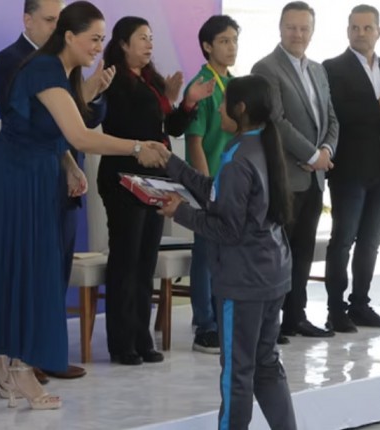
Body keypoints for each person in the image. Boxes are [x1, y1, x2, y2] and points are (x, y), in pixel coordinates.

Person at [0, 1, 167, 410]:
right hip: (12, 179)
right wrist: (135, 147)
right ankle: (20, 367)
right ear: (70, 37)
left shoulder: (60, 71)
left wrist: (70, 167)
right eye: (94, 38)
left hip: (35, 175)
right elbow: (79, 136)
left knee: (28, 270)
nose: (99, 47)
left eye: (102, 39)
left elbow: (52, 130)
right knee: (23, 271)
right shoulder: (44, 69)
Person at [158, 75, 297, 430]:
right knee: (267, 364)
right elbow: (219, 196)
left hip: (244, 280)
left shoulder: (237, 157)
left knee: (237, 372)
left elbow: (227, 229)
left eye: (223, 103)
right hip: (273, 272)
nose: (218, 109)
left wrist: (180, 212)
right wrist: (173, 164)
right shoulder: (263, 145)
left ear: (241, 108)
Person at [0, 0, 110, 383]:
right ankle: (23, 356)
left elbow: (81, 118)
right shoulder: (13, 60)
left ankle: (47, 350)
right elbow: (32, 122)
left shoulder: (64, 63)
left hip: (59, 173)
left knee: (57, 265)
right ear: (28, 19)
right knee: (30, 266)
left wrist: (91, 93)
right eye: (50, 20)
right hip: (27, 173)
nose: (56, 28)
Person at [98, 16, 214, 366]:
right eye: (142, 38)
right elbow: (123, 126)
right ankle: (122, 343)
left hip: (155, 178)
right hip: (124, 177)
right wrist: (164, 105)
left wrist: (186, 103)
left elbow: (169, 130)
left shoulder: (151, 80)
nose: (149, 44)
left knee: (146, 259)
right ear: (122, 44)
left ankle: (142, 337)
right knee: (126, 260)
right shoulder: (113, 80)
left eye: (151, 37)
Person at [321, 4, 380, 332]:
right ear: (347, 31)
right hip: (349, 167)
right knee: (342, 240)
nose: (361, 33)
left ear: (378, 31)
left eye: (367, 28)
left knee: (371, 242)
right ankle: (335, 310)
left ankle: (360, 305)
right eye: (355, 28)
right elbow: (339, 116)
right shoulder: (332, 67)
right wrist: (379, 106)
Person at [251, 1, 338, 342]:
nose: (297, 34)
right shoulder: (266, 68)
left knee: (303, 252)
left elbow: (331, 118)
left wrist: (326, 152)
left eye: (304, 28)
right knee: (278, 253)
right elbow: (277, 121)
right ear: (280, 28)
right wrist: (313, 154)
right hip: (286, 176)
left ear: (312, 32)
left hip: (314, 177)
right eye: (291, 27)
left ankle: (295, 317)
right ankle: (269, 322)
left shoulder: (317, 70)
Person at [183, 15, 239, 355]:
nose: (231, 47)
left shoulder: (234, 84)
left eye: (234, 40)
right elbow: (195, 142)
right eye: (224, 41)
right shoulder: (201, 86)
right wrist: (206, 188)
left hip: (233, 184)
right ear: (207, 46)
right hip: (210, 184)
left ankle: (221, 318)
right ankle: (205, 325)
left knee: (226, 255)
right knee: (205, 254)